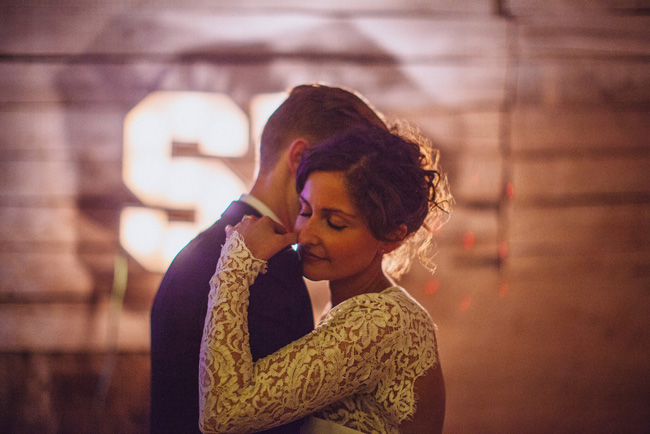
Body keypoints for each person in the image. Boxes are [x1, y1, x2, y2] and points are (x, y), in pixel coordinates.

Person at [150, 84, 390, 434]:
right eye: (349, 170)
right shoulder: (267, 272)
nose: (357, 191)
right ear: (300, 158)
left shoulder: (198, 251)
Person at [198, 125, 452, 434]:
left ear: (391, 237)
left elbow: (222, 414)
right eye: (305, 211)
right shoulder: (349, 310)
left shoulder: (384, 320)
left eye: (334, 223)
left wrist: (234, 266)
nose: (306, 235)